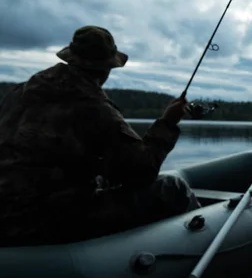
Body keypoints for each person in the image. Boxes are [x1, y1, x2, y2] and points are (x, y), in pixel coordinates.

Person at [0, 26, 201, 247]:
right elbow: (142, 172)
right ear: (106, 69)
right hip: (46, 221)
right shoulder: (94, 108)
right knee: (172, 188)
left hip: (7, 215)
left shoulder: (17, 94)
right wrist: (168, 123)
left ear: (71, 59)